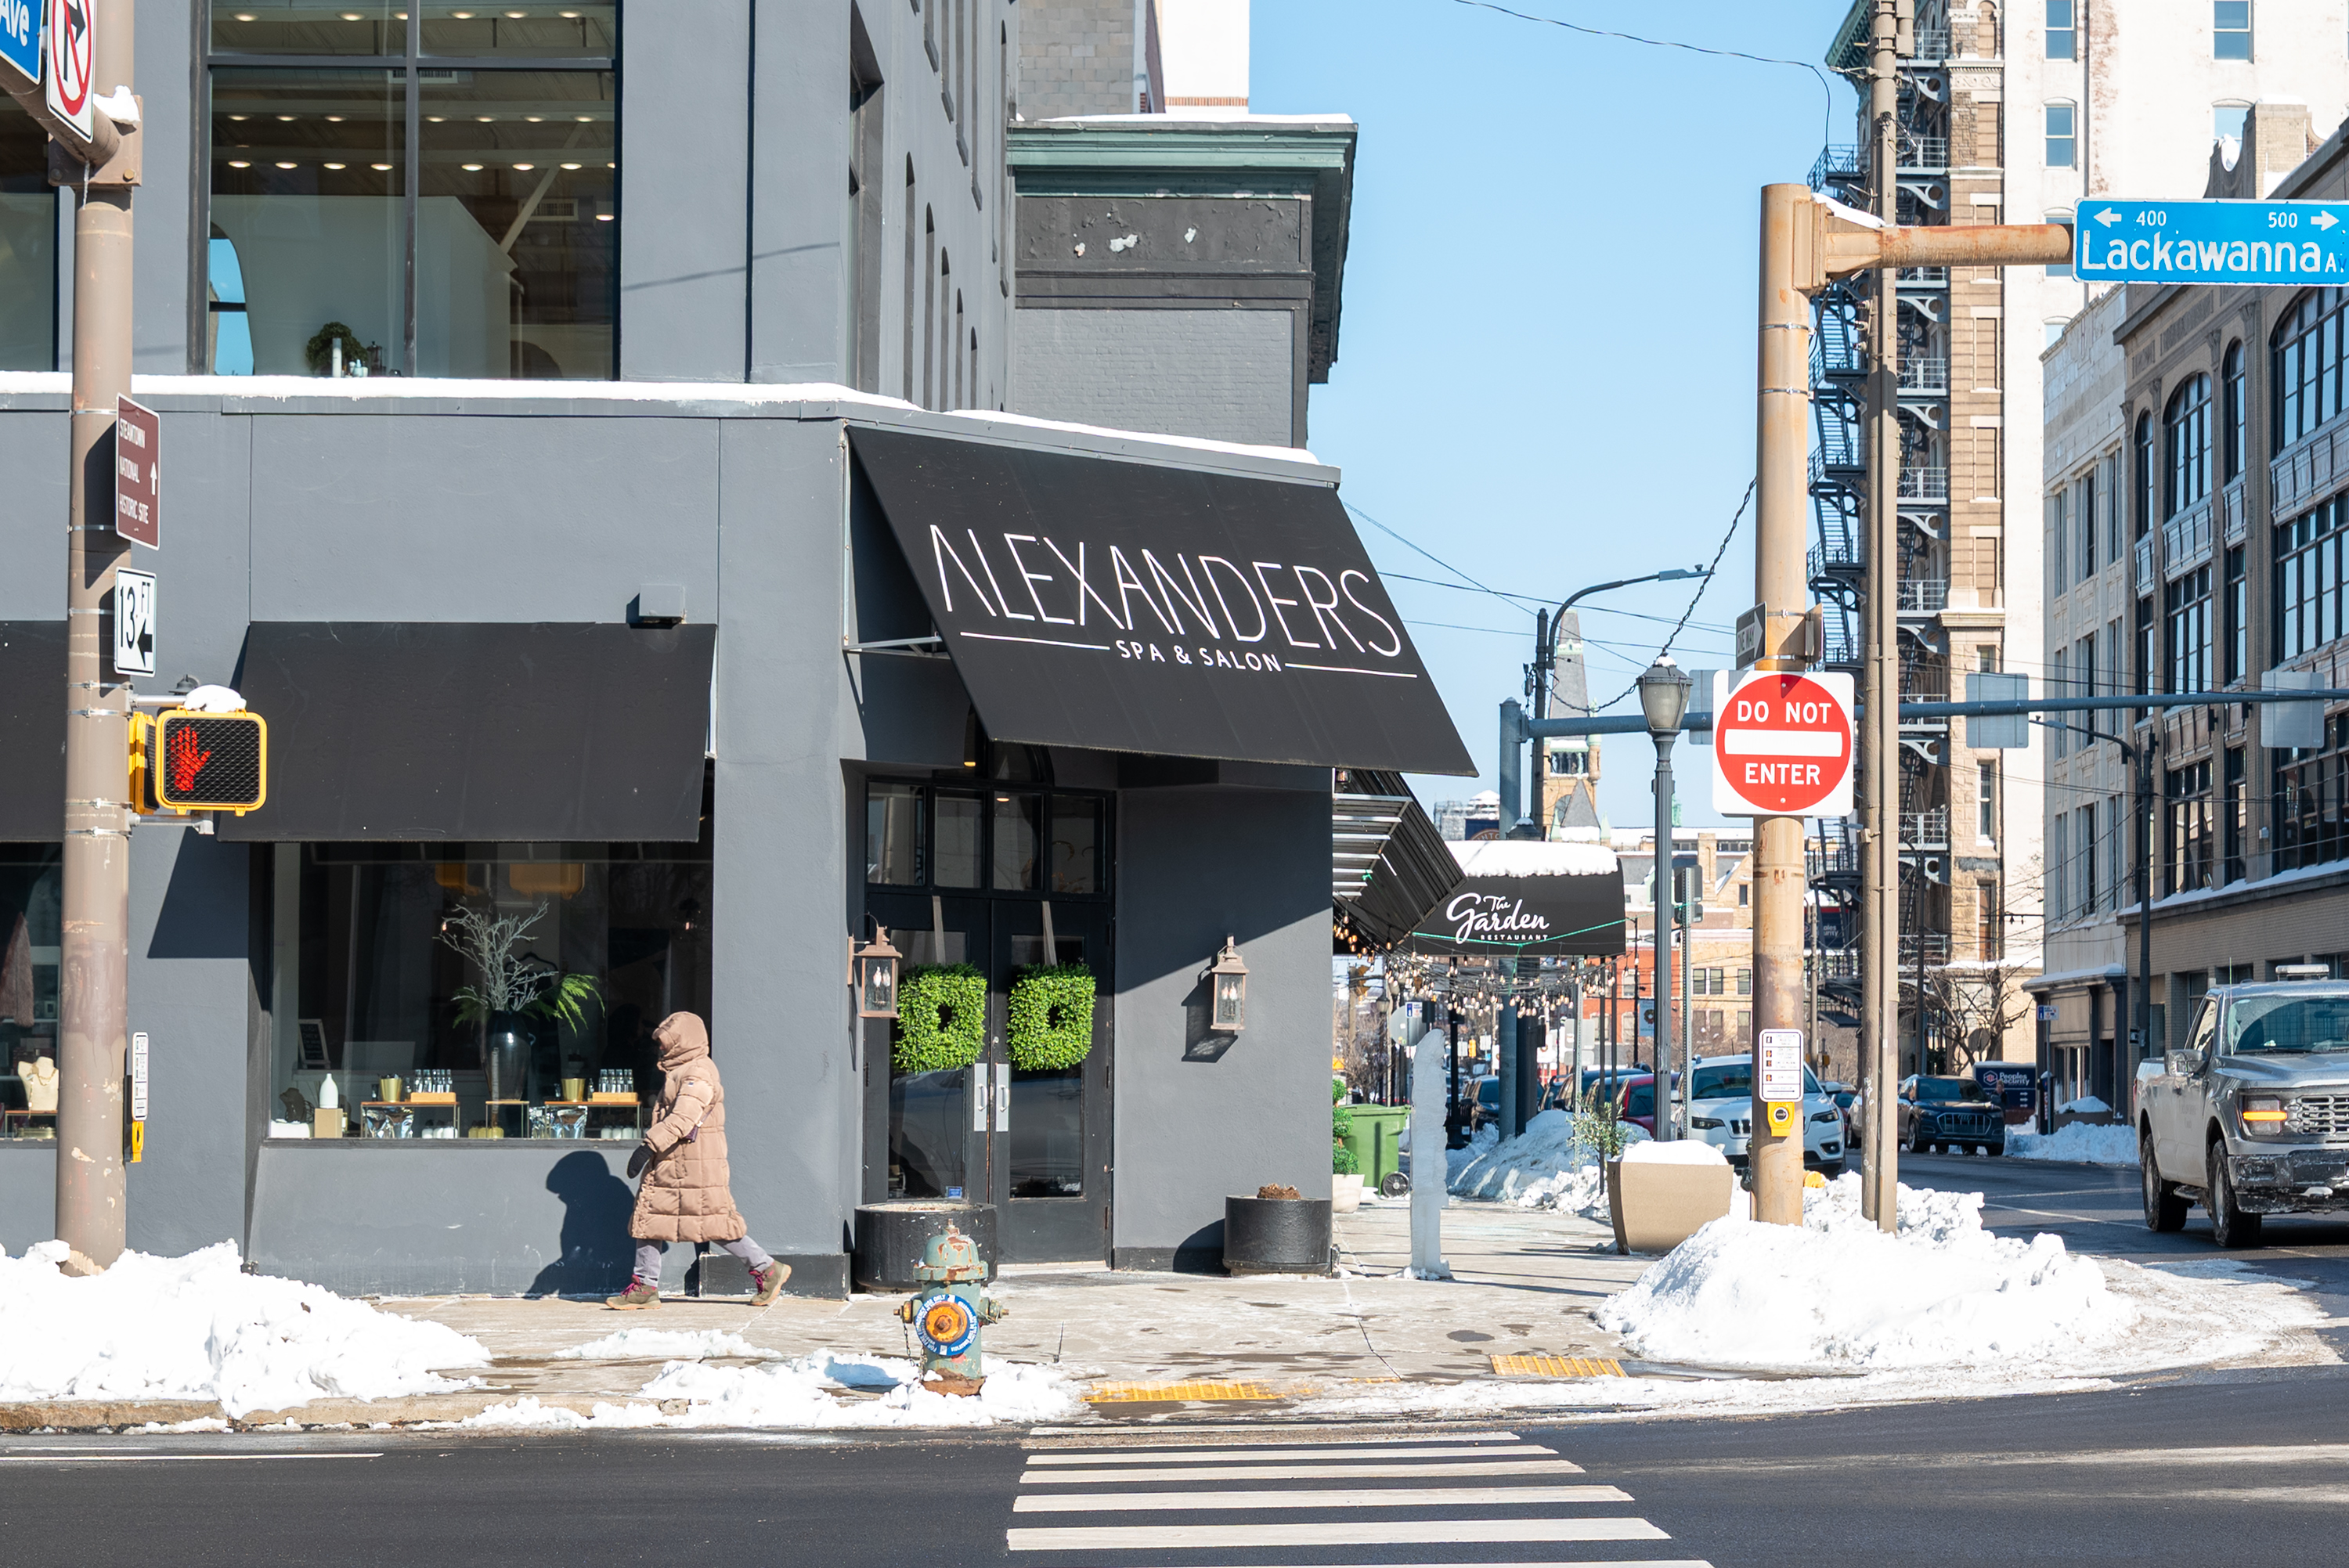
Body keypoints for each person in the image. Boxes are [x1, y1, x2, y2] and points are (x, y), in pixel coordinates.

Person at [605, 1011, 788, 1309]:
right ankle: (644, 1286)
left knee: (713, 1224)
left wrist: (648, 1146)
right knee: (650, 1219)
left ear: (683, 1042)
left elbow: (684, 1116)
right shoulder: (682, 1071)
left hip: (692, 1166)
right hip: (676, 1163)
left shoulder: (698, 1072)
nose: (661, 1048)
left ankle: (767, 1269)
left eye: (666, 1043)